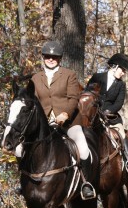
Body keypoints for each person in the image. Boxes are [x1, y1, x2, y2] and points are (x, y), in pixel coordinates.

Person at [31, 41, 95, 200]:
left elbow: (74, 98)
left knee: (83, 149)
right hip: (44, 124)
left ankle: (85, 184)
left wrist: (65, 114)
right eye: (47, 56)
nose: (51, 59)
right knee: (21, 148)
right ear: (43, 57)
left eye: (54, 57)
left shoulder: (69, 74)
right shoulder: (35, 77)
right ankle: (25, 181)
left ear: (59, 59)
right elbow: (34, 100)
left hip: (68, 122)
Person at [86, 53, 128, 174]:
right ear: (114, 67)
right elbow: (87, 94)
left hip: (111, 117)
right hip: (93, 115)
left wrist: (108, 111)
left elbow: (119, 103)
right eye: (122, 70)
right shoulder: (97, 77)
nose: (123, 73)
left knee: (121, 132)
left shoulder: (121, 85)